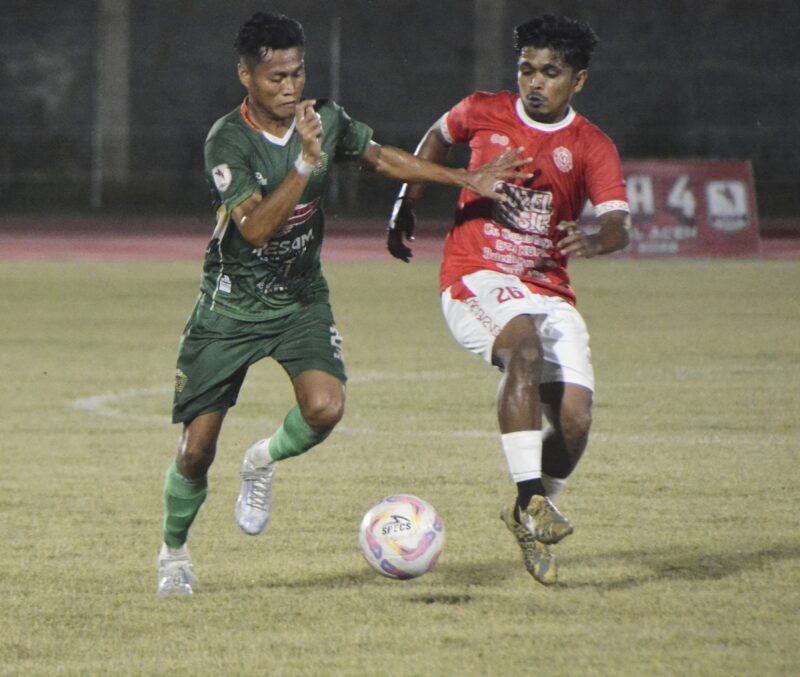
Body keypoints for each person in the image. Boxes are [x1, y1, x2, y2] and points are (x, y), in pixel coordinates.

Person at [157, 11, 528, 597]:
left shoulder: (325, 119)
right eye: (276, 76)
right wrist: (305, 164)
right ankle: (174, 554)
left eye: (298, 74)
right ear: (246, 77)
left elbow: (380, 156)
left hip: (301, 298)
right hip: (230, 308)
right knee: (197, 451)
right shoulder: (227, 140)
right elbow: (253, 229)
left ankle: (261, 458)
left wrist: (464, 178)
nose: (290, 87)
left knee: (326, 408)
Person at [387, 14, 630, 585]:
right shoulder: (482, 109)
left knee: (574, 421)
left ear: (579, 81)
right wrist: (408, 198)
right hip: (475, 275)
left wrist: (594, 239)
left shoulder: (591, 145)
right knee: (523, 352)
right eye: (526, 70)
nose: (535, 83)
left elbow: (619, 224)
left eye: (551, 73)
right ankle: (529, 499)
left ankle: (528, 509)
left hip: (548, 287)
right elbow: (438, 137)